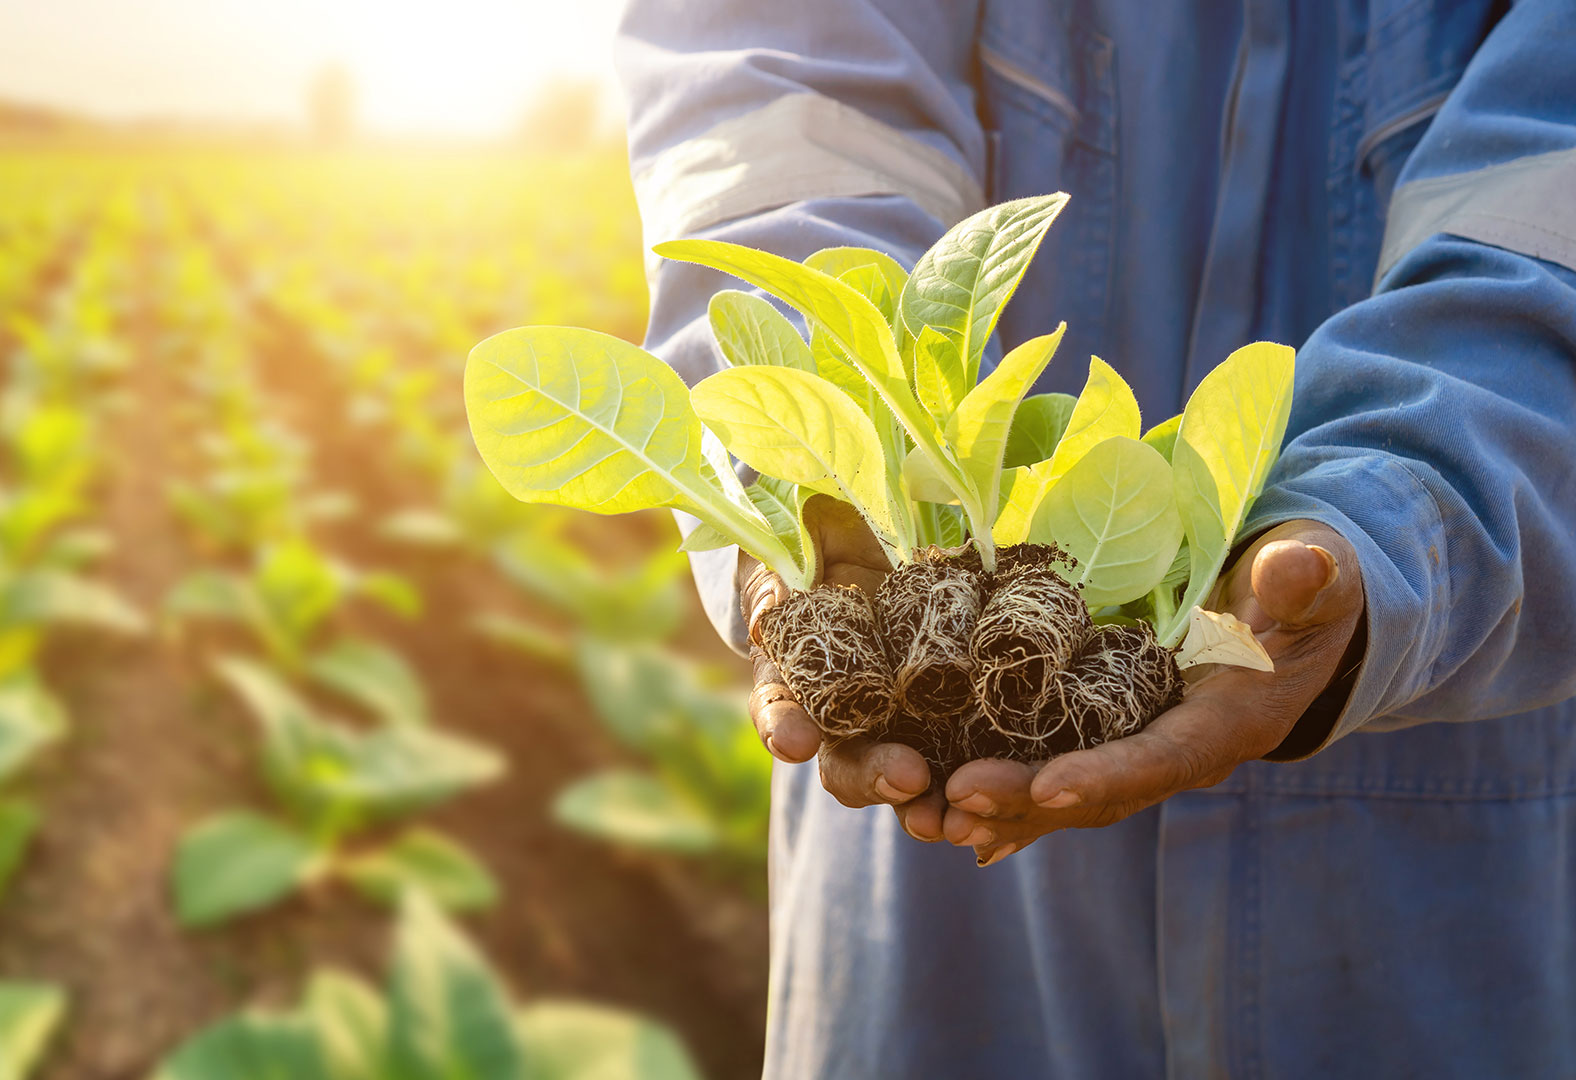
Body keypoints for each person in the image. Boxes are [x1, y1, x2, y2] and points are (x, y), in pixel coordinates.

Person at [615, 1, 1576, 1076]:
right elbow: (782, 88)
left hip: (1448, 841)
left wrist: (1407, 519)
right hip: (941, 908)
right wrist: (827, 477)